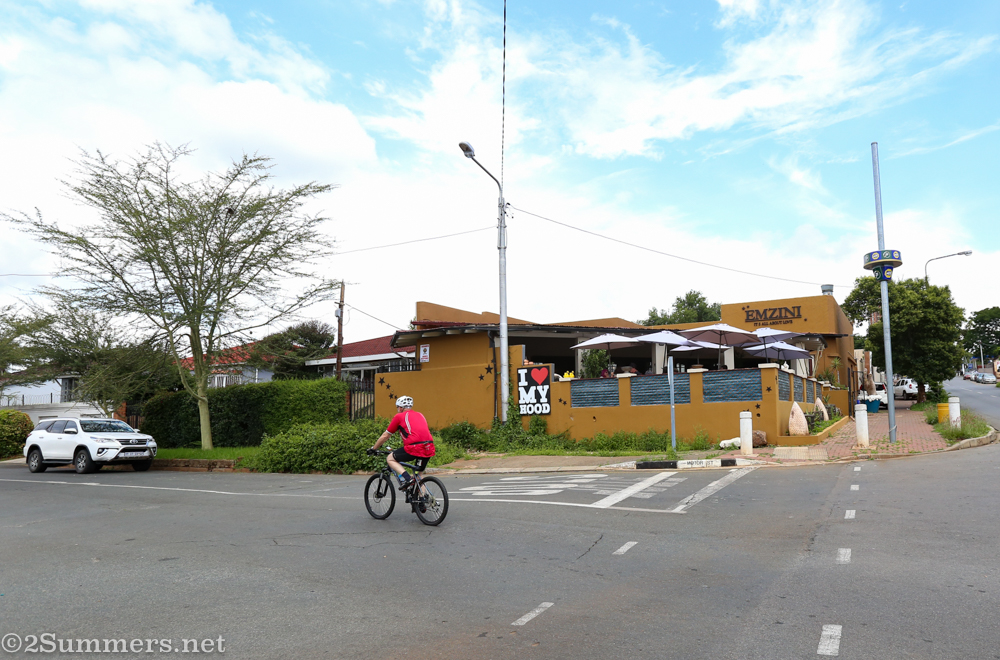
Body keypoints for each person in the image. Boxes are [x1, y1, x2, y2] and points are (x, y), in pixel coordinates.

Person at [370, 395, 436, 491]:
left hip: (414, 447)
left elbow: (386, 435)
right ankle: (423, 503)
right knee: (419, 477)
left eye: (397, 407)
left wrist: (374, 448)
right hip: (428, 447)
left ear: (400, 408)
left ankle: (408, 479)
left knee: (390, 459)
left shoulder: (399, 416)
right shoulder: (420, 414)